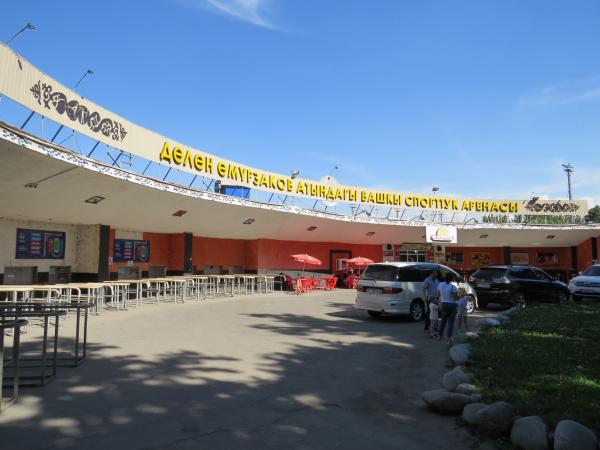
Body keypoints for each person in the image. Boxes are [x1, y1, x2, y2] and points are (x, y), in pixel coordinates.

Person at [437, 272, 459, 344]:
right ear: (451, 279)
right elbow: (456, 298)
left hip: (443, 304)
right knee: (451, 322)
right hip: (452, 305)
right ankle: (449, 337)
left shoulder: (440, 285)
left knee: (443, 320)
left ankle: (439, 335)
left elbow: (438, 294)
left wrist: (441, 301)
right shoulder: (453, 287)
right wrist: (461, 295)